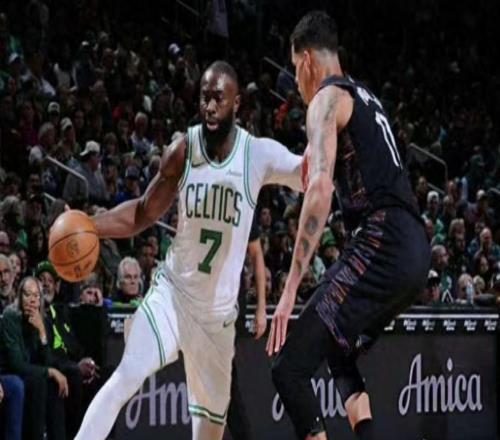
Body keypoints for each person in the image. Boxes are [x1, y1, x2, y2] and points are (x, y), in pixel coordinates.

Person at [75, 60, 303, 440]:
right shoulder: (183, 150)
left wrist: (329, 141)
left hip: (217, 318)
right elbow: (143, 213)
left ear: (236, 104)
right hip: (173, 296)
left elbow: (307, 174)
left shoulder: (257, 154)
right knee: (126, 375)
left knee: (209, 431)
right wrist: (90, 225)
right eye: (204, 98)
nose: (209, 107)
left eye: (219, 98)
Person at [267, 12, 430, 440]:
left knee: (288, 369)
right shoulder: (363, 95)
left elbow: (320, 189)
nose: (296, 83)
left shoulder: (325, 99)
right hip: (415, 249)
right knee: (339, 353)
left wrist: (289, 289)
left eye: (294, 69)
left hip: (384, 240)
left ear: (306, 61)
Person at [0, 276, 68, 440]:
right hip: (10, 372)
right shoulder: (10, 317)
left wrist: (42, 332)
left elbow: (48, 361)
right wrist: (50, 371)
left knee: (53, 383)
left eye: (36, 295)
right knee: (40, 380)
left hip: (30, 373)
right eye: (27, 294)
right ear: (19, 296)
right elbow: (16, 364)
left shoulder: (41, 320)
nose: (32, 300)